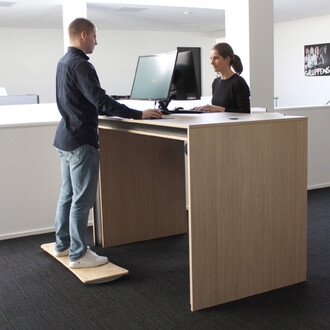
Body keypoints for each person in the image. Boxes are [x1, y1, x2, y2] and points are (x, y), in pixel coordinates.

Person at [53, 18, 162, 269]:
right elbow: (99, 101)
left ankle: (63, 245)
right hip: (81, 141)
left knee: (67, 195)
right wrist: (138, 114)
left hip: (65, 137)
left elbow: (83, 98)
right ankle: (79, 254)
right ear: (83, 35)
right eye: (94, 36)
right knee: (82, 199)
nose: (96, 41)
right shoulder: (81, 64)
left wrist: (114, 104)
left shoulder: (63, 62)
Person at [194, 42, 250, 113]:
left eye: (216, 58)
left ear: (227, 59)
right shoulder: (216, 82)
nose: (212, 62)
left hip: (232, 123)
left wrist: (220, 109)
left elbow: (245, 112)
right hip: (218, 122)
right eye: (211, 58)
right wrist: (205, 108)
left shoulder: (238, 82)